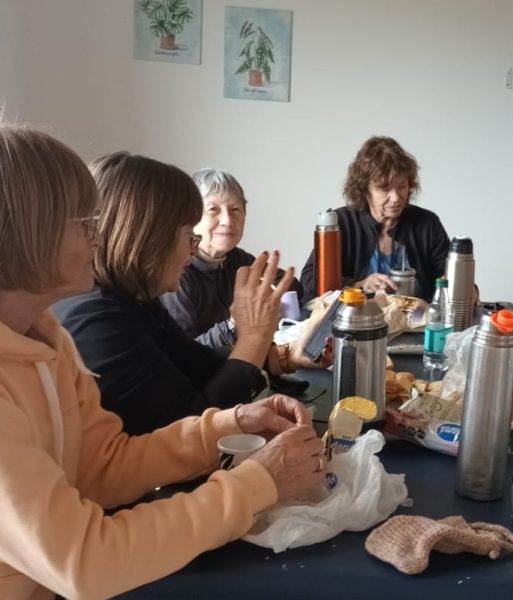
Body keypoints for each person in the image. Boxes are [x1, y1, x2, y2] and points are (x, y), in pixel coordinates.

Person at [0, 114, 325, 598]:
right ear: (21, 235)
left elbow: (100, 464)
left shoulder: (37, 335)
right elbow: (85, 562)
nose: (100, 236)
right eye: (85, 222)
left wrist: (228, 425)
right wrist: (256, 484)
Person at [55, 153, 324, 435]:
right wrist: (254, 335)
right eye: (189, 236)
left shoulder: (137, 300)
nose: (193, 250)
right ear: (150, 237)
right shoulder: (96, 321)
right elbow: (194, 424)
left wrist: (286, 357)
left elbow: (198, 363)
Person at [161, 168, 305, 346]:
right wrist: (234, 325)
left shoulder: (238, 259)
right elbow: (183, 352)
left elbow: (290, 285)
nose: (227, 220)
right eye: (213, 210)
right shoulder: (177, 273)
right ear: (191, 217)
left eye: (235, 209)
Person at [300, 136, 450, 301]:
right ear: (364, 189)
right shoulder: (341, 223)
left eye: (402, 186)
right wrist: (359, 285)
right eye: (384, 189)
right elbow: (309, 279)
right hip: (356, 315)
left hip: (415, 316)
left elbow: (448, 277)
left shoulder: (427, 223)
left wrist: (460, 286)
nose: (396, 198)